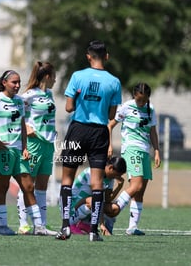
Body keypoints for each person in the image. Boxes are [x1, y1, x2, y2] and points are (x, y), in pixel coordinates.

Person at [56, 40, 122, 241]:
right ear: (106, 56)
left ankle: (66, 226)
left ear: (88, 56)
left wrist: (79, 99)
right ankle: (93, 231)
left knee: (67, 179)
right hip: (99, 132)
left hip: (77, 129)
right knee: (97, 183)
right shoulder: (114, 81)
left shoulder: (77, 76)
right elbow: (112, 114)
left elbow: (68, 108)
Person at [0, 70, 52, 236]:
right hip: (2, 151)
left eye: (18, 83)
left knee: (29, 186)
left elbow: (23, 125)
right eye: (14, 82)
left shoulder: (20, 101)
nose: (17, 86)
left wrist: (24, 147)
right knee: (3, 186)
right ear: (4, 83)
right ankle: (2, 226)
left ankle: (39, 227)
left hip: (19, 151)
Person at [108, 82, 160, 236]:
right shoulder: (126, 107)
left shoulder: (151, 110)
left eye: (144, 100)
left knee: (140, 191)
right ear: (134, 96)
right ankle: (113, 208)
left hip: (145, 151)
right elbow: (110, 125)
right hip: (131, 149)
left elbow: (152, 131)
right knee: (135, 186)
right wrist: (109, 145)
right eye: (139, 100)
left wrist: (156, 151)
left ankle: (132, 227)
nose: (141, 103)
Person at [16, 61, 57, 235]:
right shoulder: (28, 95)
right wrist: (27, 127)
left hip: (48, 145)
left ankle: (41, 224)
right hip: (33, 143)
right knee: (27, 185)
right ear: (47, 77)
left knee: (42, 186)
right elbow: (17, 115)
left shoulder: (50, 94)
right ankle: (23, 223)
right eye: (54, 76)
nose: (55, 80)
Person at [68, 156, 126, 236]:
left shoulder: (110, 178)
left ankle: (85, 224)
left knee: (114, 209)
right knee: (94, 201)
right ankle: (70, 224)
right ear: (111, 168)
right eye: (117, 175)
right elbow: (97, 199)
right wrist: (101, 224)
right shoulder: (94, 173)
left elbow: (108, 199)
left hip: (88, 202)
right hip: (73, 204)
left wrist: (119, 187)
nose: (117, 177)